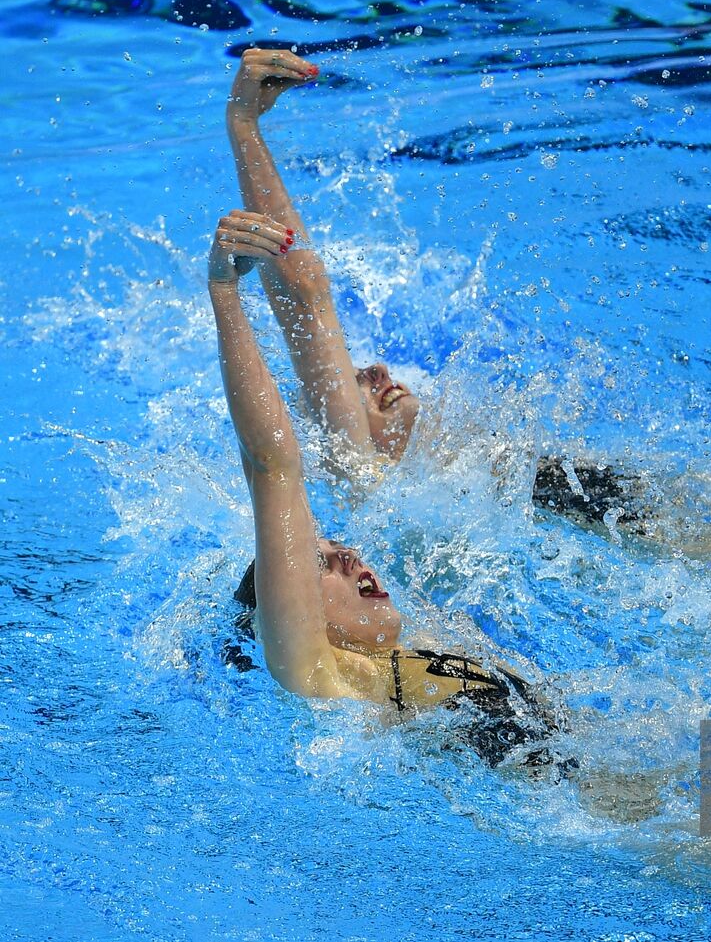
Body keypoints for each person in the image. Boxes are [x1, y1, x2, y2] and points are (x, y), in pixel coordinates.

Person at [224, 48, 650, 532]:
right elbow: (306, 299)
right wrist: (244, 127)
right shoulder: (367, 473)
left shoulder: (474, 470)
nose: (377, 371)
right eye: (353, 379)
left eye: (360, 371)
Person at [207, 207, 560, 769]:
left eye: (329, 551)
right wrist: (223, 292)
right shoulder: (325, 677)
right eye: (318, 565)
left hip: (628, 794)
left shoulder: (427, 646)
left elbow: (311, 303)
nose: (347, 556)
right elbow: (272, 465)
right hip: (609, 823)